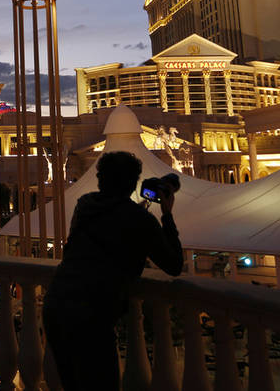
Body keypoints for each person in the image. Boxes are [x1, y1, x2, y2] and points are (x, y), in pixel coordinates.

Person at [42, 151, 183, 390]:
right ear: (133, 182)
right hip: (93, 317)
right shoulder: (138, 219)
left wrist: (135, 213)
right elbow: (174, 265)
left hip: (57, 306)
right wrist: (167, 215)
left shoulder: (84, 204)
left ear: (100, 180)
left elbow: (104, 226)